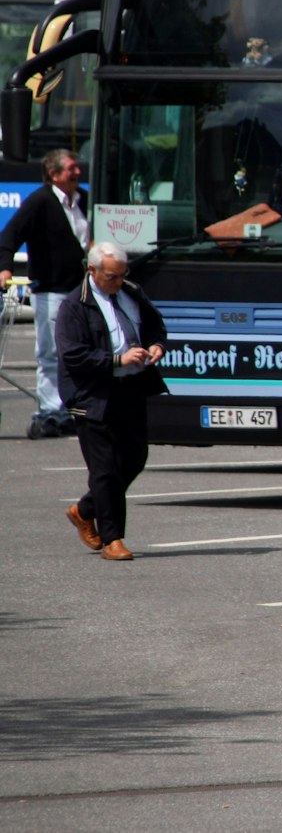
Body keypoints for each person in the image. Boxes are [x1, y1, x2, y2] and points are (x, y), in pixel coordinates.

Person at [56, 241, 168, 561]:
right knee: (104, 470)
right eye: (111, 277)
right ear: (92, 271)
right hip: (93, 395)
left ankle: (84, 510)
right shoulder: (74, 305)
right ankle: (112, 539)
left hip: (130, 389)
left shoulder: (131, 291)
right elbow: (74, 355)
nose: (117, 283)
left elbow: (155, 325)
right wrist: (117, 360)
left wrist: (157, 344)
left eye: (122, 275)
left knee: (134, 458)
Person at [0, 148, 91, 439]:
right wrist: (5, 270)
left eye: (77, 168)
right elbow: (10, 235)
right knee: (51, 351)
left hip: (82, 290)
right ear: (54, 174)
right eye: (71, 169)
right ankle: (52, 409)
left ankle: (75, 407)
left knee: (81, 351)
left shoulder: (84, 200)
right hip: (51, 290)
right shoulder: (40, 201)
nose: (77, 173)